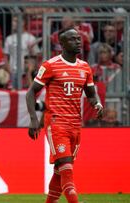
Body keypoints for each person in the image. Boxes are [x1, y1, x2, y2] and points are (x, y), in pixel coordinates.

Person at [26, 28, 103, 203]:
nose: (78, 41)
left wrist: (97, 104)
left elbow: (91, 94)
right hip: (56, 123)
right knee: (66, 167)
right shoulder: (50, 65)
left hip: (76, 124)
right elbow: (31, 92)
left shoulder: (84, 67)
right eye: (73, 39)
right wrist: (33, 119)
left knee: (60, 170)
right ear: (62, 44)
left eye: (79, 38)